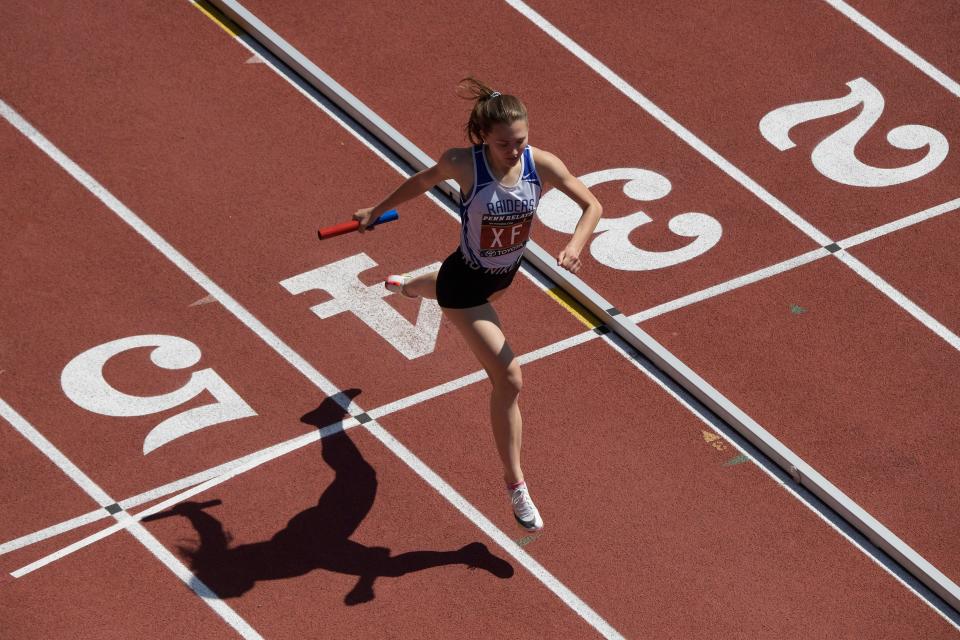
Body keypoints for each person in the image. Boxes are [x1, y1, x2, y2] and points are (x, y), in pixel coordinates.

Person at [353, 77, 602, 532]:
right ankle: (516, 484)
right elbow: (421, 181)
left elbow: (592, 206)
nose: (513, 150)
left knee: (439, 281)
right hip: (464, 288)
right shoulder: (462, 164)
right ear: (483, 136)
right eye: (504, 142)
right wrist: (375, 209)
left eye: (521, 140)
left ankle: (407, 286)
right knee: (509, 378)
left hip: (498, 279)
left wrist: (575, 246)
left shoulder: (540, 165)